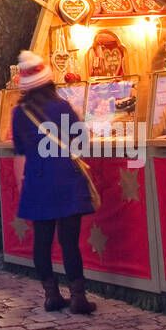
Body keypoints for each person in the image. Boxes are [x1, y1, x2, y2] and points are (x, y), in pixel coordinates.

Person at [12, 50, 97, 315]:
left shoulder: (19, 113)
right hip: (66, 179)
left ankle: (51, 295)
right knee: (70, 241)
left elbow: (20, 151)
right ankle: (78, 297)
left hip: (38, 181)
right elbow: (81, 141)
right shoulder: (61, 106)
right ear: (49, 80)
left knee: (42, 240)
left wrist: (21, 186)